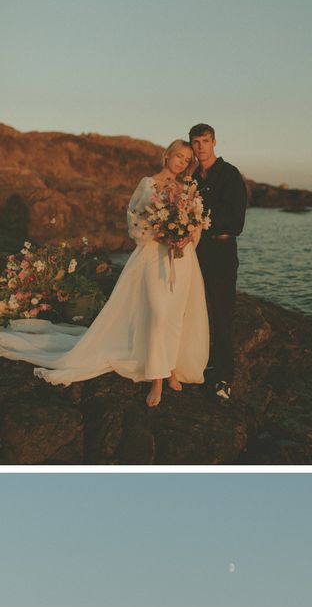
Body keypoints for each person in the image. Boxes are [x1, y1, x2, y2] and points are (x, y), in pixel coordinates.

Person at [0, 140, 209, 408]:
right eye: (178, 155)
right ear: (167, 155)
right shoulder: (148, 184)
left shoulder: (186, 188)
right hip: (153, 257)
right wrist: (162, 232)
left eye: (186, 158)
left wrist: (187, 235)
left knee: (174, 316)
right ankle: (156, 378)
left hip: (181, 261)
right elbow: (135, 225)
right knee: (157, 315)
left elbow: (195, 223)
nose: (181, 161)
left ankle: (170, 370)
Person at [189, 123, 248, 403]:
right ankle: (198, 363)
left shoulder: (230, 174)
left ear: (214, 142)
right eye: (196, 142)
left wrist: (200, 222)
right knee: (194, 309)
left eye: (205, 141)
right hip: (195, 251)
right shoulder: (192, 178)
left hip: (222, 251)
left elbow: (236, 222)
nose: (200, 147)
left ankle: (224, 377)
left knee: (222, 313)